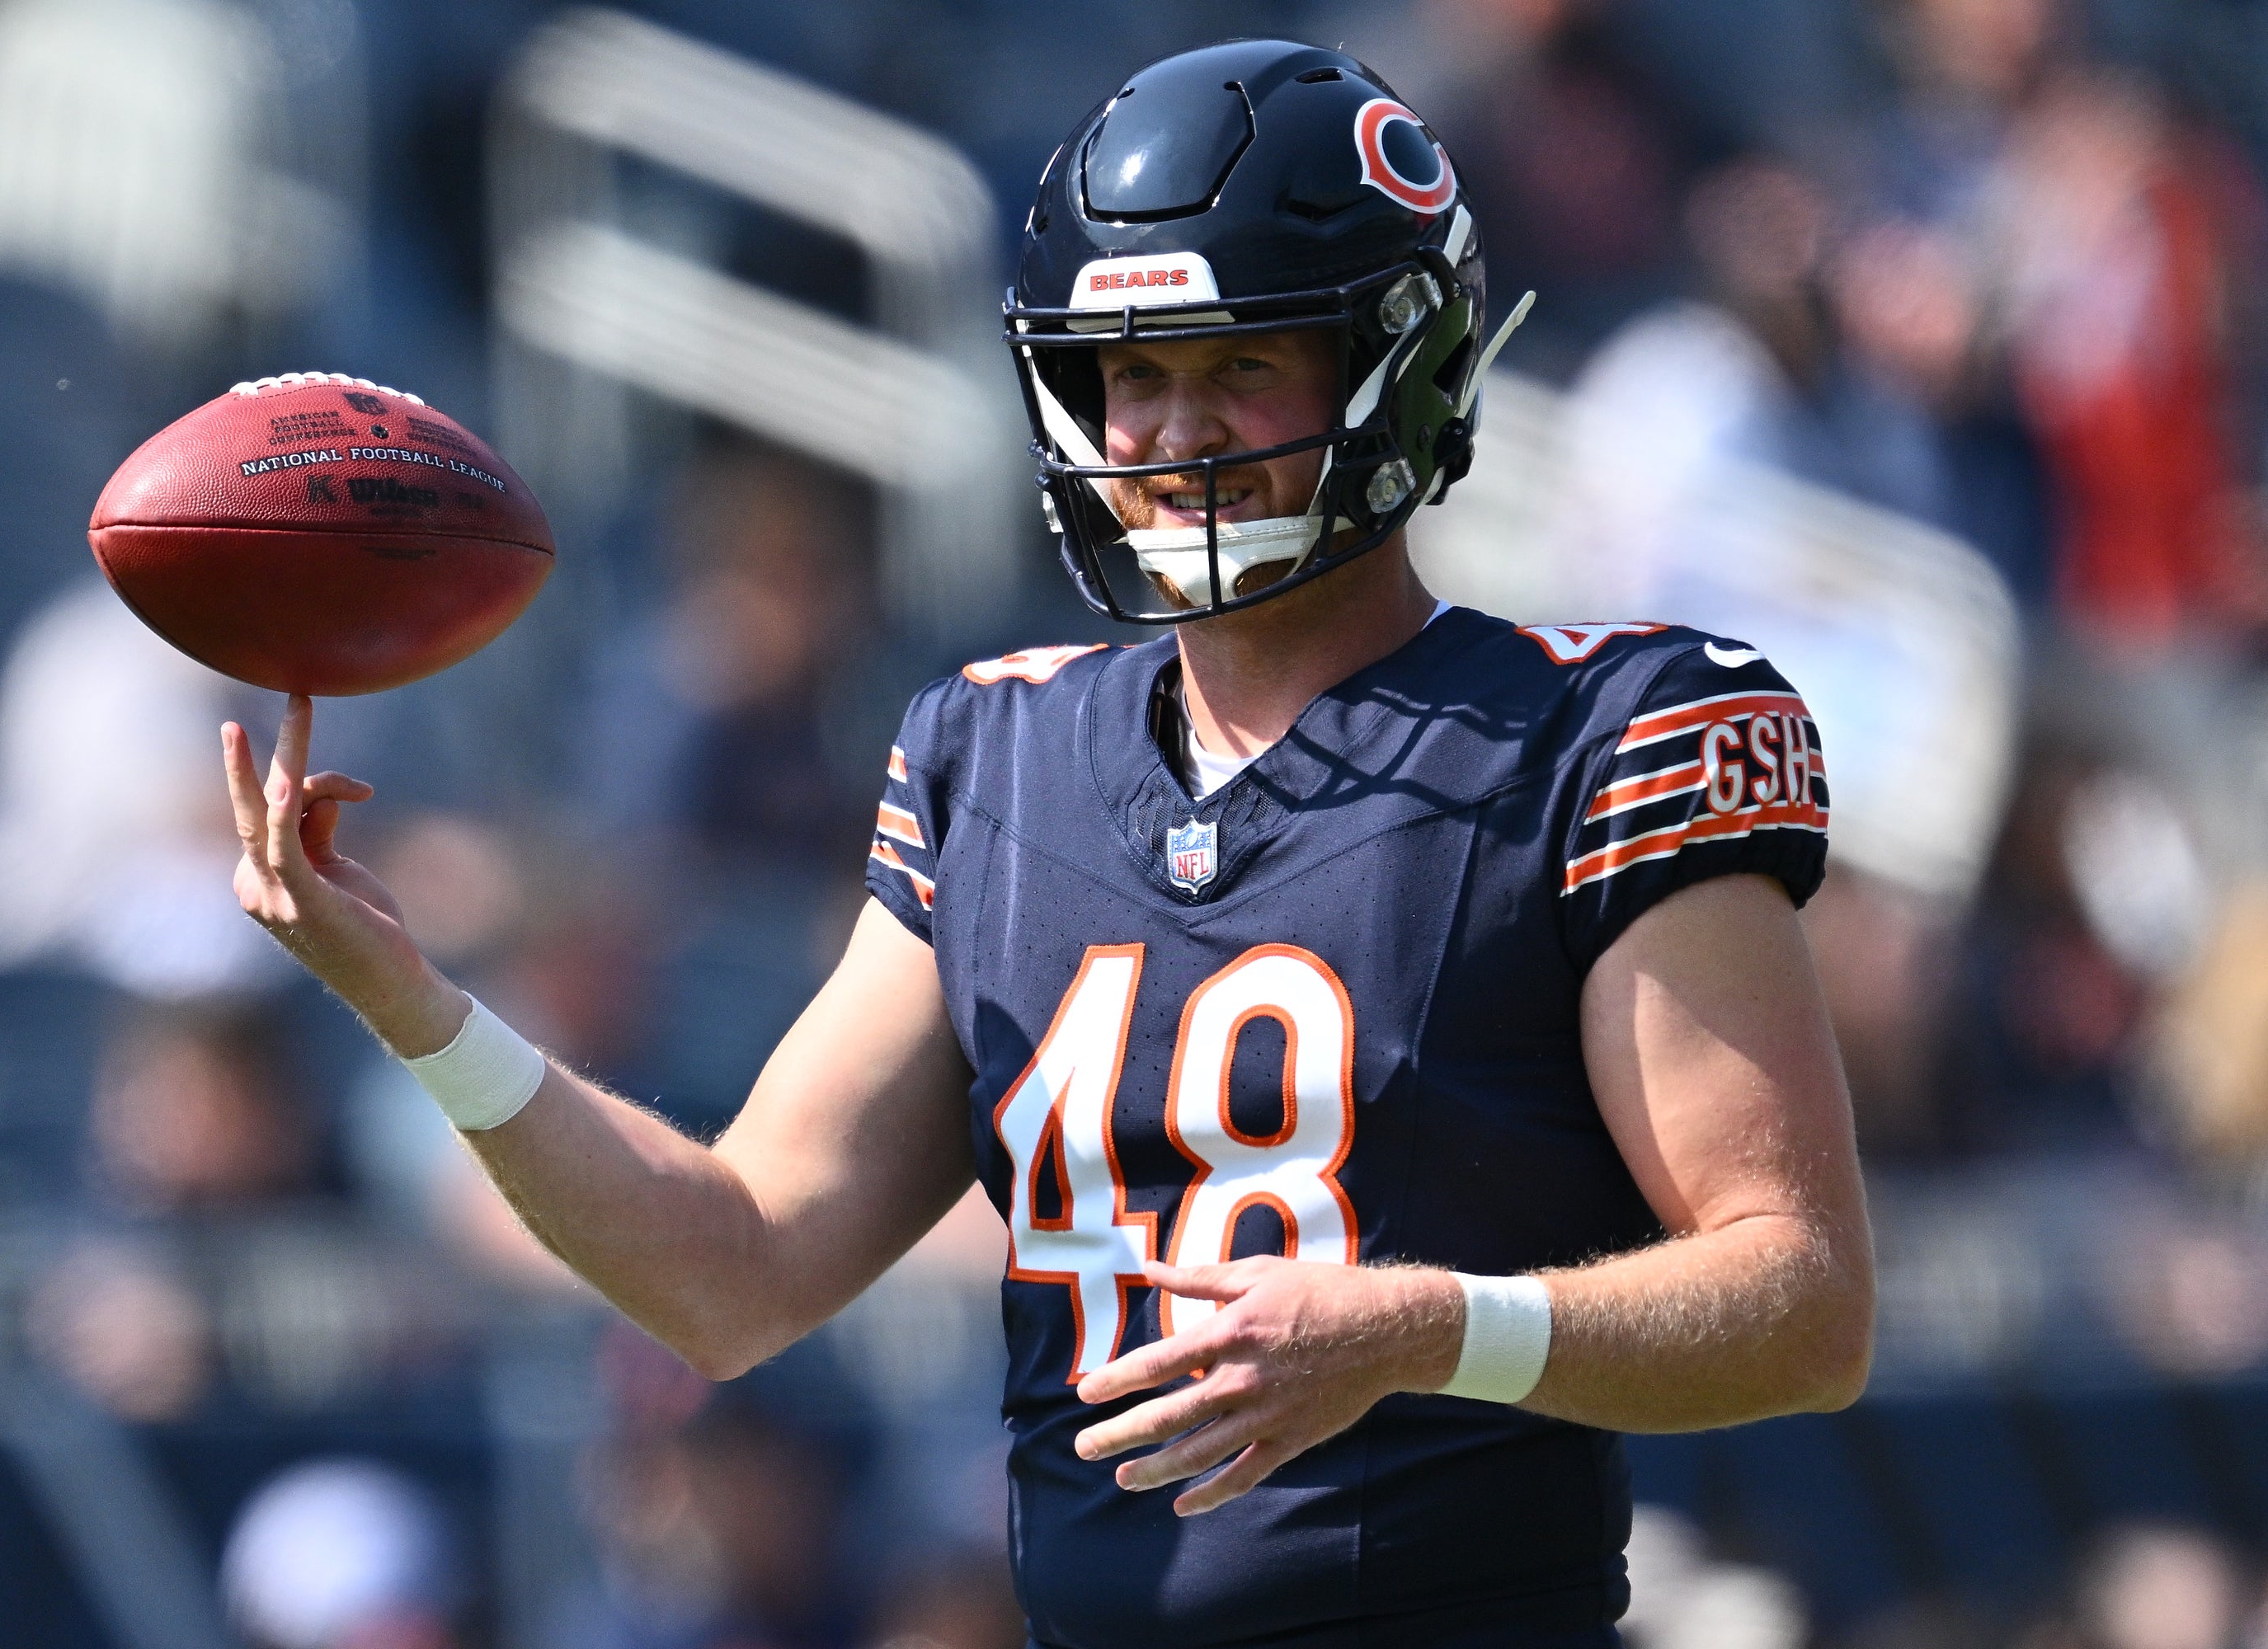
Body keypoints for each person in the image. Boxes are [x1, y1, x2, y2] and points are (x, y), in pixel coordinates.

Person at [221, 40, 1873, 1649]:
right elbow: (729, 1265)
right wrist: (415, 1001)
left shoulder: (1604, 734)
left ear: (1400, 362)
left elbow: (1800, 1303)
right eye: (1129, 374)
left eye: (1240, 364)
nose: (1166, 431)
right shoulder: (994, 753)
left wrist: (1439, 1328)